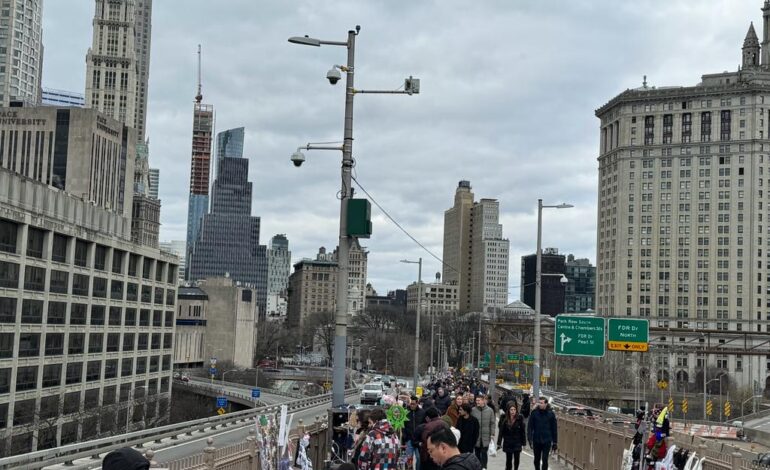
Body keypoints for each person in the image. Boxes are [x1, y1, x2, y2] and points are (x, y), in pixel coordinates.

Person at [526, 397, 558, 470]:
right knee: (536, 460)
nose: (540, 404)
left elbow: (554, 429)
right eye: (539, 402)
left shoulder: (551, 414)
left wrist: (555, 442)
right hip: (536, 440)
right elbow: (530, 427)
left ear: (546, 404)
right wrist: (529, 438)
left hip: (547, 440)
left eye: (541, 403)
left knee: (545, 459)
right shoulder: (534, 413)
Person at [497, 403, 526, 470]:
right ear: (508, 411)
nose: (513, 411)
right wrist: (499, 442)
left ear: (516, 410)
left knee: (516, 459)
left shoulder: (520, 419)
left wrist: (524, 443)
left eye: (514, 409)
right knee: (509, 460)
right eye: (511, 410)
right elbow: (501, 432)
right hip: (508, 442)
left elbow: (523, 432)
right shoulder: (504, 419)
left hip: (517, 442)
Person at [471, 394, 495, 470]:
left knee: (484, 452)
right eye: (476, 400)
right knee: (477, 453)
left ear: (483, 400)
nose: (477, 402)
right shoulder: (473, 410)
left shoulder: (490, 410)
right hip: (476, 436)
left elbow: (492, 423)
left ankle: (484, 467)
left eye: (478, 400)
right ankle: (478, 467)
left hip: (486, 436)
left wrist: (492, 434)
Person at [404, 397, 425, 469]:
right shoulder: (406, 412)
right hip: (409, 439)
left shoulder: (422, 412)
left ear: (417, 403)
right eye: (411, 404)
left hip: (418, 440)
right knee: (408, 459)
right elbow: (403, 425)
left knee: (419, 458)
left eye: (413, 404)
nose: (412, 405)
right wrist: (405, 436)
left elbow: (424, 425)